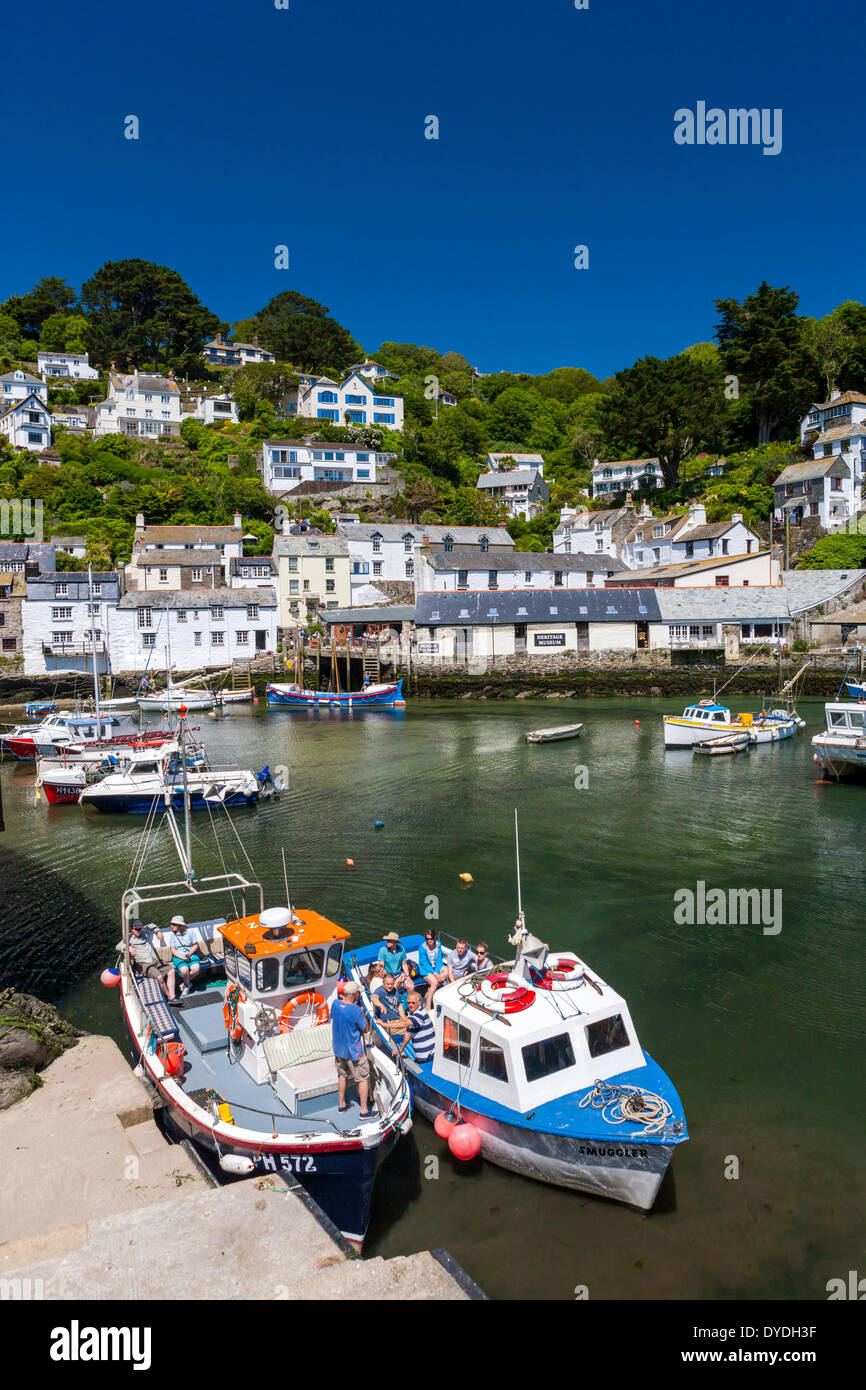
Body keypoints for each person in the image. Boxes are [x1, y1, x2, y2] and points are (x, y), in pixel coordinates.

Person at [331, 981, 376, 1117]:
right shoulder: (356, 1010)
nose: (359, 995)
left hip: (338, 1049)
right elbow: (366, 1029)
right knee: (362, 1078)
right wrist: (362, 1013)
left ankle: (342, 1104)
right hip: (354, 1052)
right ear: (354, 994)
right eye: (358, 993)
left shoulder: (335, 1004)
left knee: (342, 1075)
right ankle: (364, 1111)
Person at [117, 919, 176, 1001]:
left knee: (171, 971)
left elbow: (151, 925)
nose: (139, 931)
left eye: (140, 928)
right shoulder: (128, 938)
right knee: (159, 978)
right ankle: (169, 997)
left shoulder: (144, 931)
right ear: (131, 929)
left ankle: (173, 996)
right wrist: (128, 947)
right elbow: (118, 946)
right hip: (143, 964)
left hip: (154, 959)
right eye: (137, 929)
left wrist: (158, 932)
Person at [371, 972, 410, 1045]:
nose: (390, 986)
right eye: (388, 984)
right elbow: (373, 998)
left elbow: (398, 1005)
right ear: (383, 983)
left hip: (398, 1019)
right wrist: (381, 1006)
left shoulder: (395, 990)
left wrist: (404, 1018)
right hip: (389, 1023)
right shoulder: (379, 991)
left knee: (414, 1022)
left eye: (392, 984)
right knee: (410, 1028)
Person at [168, 914, 201, 996]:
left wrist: (190, 953)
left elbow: (195, 945)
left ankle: (185, 984)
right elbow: (173, 950)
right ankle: (187, 986)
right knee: (184, 970)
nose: (171, 926)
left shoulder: (190, 932)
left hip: (191, 955)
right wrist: (182, 957)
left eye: (173, 924)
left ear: (180, 925)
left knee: (196, 969)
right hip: (179, 957)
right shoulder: (172, 935)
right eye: (171, 924)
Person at [398, 991, 435, 1064]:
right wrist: (400, 1049)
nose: (410, 1005)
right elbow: (408, 1033)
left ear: (420, 1003)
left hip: (430, 1058)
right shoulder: (411, 1014)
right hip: (421, 1059)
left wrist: (384, 1024)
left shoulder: (420, 1014)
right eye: (409, 1003)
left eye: (413, 1003)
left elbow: (404, 1024)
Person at [417, 928, 448, 1008]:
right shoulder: (422, 948)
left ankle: (430, 990)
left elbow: (439, 960)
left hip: (435, 968)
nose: (429, 941)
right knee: (434, 983)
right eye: (427, 939)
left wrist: (436, 973)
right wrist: (435, 974)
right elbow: (424, 964)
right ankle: (428, 1007)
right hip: (426, 970)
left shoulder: (438, 945)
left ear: (434, 938)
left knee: (447, 970)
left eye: (431, 939)